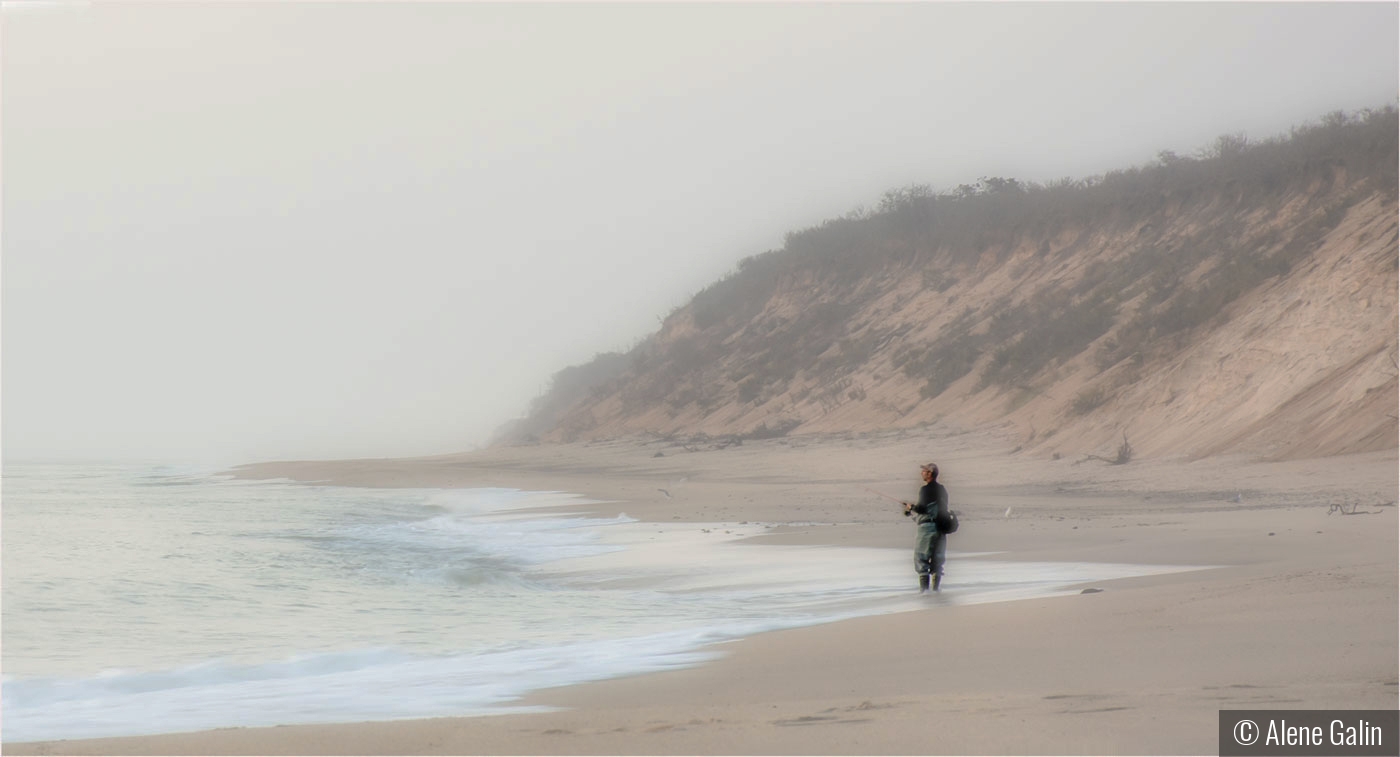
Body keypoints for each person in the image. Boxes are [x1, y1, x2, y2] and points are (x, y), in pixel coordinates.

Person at [902, 462, 949, 593]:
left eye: (924, 471)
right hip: (941, 527)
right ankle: (935, 590)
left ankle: (924, 592)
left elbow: (922, 509)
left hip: (927, 528)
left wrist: (911, 507)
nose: (921, 473)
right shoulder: (942, 489)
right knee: (937, 558)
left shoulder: (925, 489)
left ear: (930, 474)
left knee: (921, 558)